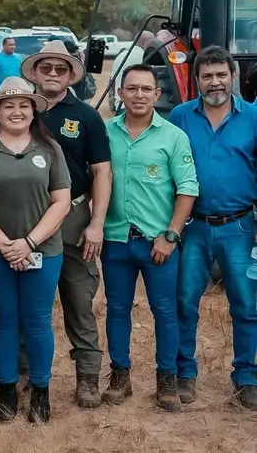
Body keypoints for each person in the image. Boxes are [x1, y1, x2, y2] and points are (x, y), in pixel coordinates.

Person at [0, 77, 72, 423]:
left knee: (38, 321)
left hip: (43, 250)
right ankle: (7, 388)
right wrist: (5, 245)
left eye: (24, 105)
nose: (16, 111)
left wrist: (29, 243)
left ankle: (40, 390)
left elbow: (61, 202)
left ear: (33, 111)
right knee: (4, 320)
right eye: (8, 105)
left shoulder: (49, 148)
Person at [20, 39, 112, 408]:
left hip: (73, 220)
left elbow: (102, 172)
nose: (53, 74)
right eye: (46, 67)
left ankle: (87, 378)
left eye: (61, 69)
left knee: (79, 302)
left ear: (72, 75)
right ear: (35, 72)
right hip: (29, 219)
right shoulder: (20, 110)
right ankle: (24, 372)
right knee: (28, 301)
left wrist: (96, 223)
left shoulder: (87, 116)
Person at [102, 64, 198, 412]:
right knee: (117, 309)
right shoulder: (106, 133)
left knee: (165, 311)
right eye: (132, 88)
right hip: (116, 239)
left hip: (157, 242)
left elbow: (187, 188)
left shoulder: (173, 136)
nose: (139, 95)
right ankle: (120, 374)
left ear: (157, 94)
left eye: (146, 89)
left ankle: (167, 378)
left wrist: (170, 235)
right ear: (120, 93)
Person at [168, 46, 257, 410]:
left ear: (233, 76)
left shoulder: (253, 117)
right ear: (197, 80)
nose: (215, 82)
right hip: (194, 227)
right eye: (207, 76)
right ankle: (184, 373)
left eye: (221, 74)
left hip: (240, 227)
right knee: (185, 302)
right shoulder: (180, 116)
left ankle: (246, 377)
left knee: (246, 305)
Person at [109, 31, 156, 110]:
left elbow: (112, 82)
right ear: (145, 43)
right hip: (135, 106)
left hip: (120, 105)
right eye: (151, 43)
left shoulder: (121, 55)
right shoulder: (142, 56)